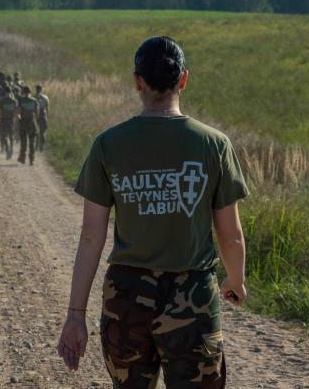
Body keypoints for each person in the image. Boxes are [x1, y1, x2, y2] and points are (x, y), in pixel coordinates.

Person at [57, 36, 248, 388]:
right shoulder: (214, 144)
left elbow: (90, 236)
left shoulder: (108, 145)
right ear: (184, 80)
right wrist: (235, 281)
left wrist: (75, 315)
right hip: (194, 300)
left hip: (126, 299)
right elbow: (231, 235)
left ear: (137, 81)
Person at [16, 85, 40, 165]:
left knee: (23, 142)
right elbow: (37, 113)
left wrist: (18, 119)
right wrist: (34, 120)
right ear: (30, 92)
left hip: (23, 122)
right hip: (32, 123)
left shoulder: (21, 100)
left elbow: (18, 112)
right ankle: (31, 159)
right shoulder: (34, 101)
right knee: (32, 142)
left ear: (23, 91)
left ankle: (22, 158)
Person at [0, 88, 19, 160]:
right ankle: (11, 149)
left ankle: (7, 149)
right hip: (11, 120)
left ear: (5, 92)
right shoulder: (14, 101)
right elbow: (16, 112)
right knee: (11, 136)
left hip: (4, 120)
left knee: (4, 135)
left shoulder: (2, 101)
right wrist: (15, 120)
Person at [35, 84, 50, 153]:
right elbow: (47, 109)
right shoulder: (45, 98)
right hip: (43, 115)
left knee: (36, 131)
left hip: (35, 115)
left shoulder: (33, 97)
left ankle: (36, 146)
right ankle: (41, 147)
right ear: (41, 89)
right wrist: (47, 117)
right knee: (42, 132)